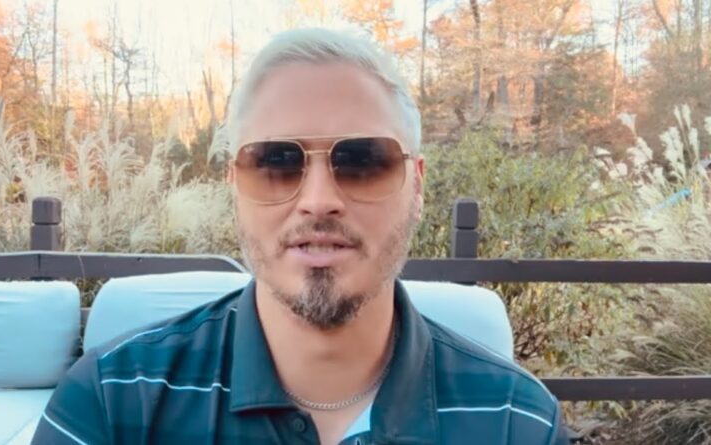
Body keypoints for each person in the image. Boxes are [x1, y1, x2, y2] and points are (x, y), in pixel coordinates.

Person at [32, 28, 568, 445]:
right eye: (276, 161)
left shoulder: (516, 422)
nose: (318, 198)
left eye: (362, 160)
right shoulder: (114, 402)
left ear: (417, 185)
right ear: (233, 185)